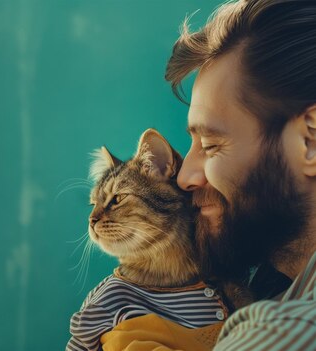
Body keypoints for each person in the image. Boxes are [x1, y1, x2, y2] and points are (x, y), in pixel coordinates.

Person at [100, 0, 316, 350]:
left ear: (310, 140)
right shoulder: (277, 289)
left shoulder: (280, 332)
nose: (184, 177)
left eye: (212, 145)